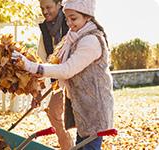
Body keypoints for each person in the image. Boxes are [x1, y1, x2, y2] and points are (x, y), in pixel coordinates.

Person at [13, 0, 114, 149]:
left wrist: (31, 66)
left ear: (88, 17)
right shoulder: (73, 38)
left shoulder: (90, 41)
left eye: (73, 18)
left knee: (89, 146)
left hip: (94, 109)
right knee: (81, 145)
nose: (69, 23)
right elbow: (54, 64)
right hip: (81, 107)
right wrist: (37, 89)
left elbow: (66, 70)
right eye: (67, 18)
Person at [36, 0, 73, 149]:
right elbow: (41, 61)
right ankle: (67, 145)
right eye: (42, 8)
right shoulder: (45, 29)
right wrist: (37, 91)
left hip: (75, 76)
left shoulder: (71, 20)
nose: (45, 11)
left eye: (49, 7)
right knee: (53, 112)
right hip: (58, 80)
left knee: (77, 118)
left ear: (59, 4)